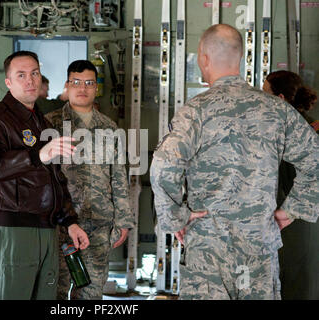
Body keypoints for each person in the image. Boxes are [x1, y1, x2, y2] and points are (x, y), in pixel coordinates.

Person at [150, 24, 319, 300]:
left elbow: (163, 167)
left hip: (207, 250)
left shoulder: (194, 112)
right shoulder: (276, 110)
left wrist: (175, 217)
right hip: (259, 247)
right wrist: (293, 209)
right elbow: (316, 159)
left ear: (203, 58)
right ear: (240, 58)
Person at [0, 51, 90, 300]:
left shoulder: (41, 121)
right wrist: (37, 155)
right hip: (14, 229)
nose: (30, 80)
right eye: (21, 75)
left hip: (46, 228)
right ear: (8, 82)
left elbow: (56, 177)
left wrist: (69, 221)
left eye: (34, 73)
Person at [46, 60, 134, 300]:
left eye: (88, 83)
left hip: (98, 222)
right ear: (66, 85)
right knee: (56, 290)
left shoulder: (110, 128)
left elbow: (119, 177)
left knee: (91, 291)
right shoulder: (49, 124)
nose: (82, 88)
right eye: (75, 82)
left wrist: (123, 220)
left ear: (96, 88)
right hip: (60, 224)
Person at [263, 70, 319, 299]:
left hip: (290, 222)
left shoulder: (290, 132)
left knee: (293, 284)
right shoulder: (308, 125)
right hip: (305, 222)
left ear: (280, 99)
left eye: (265, 93)